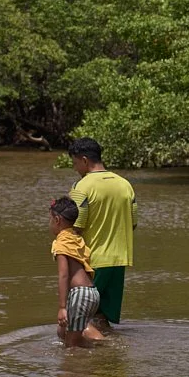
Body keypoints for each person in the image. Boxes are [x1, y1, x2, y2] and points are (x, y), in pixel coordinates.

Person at [66, 137, 136, 326]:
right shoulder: (125, 185)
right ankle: (108, 352)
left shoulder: (81, 187)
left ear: (84, 160)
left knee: (79, 319)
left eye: (75, 163)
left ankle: (97, 348)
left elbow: (75, 227)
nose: (75, 168)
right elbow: (133, 223)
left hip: (93, 261)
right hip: (120, 260)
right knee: (102, 318)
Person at [48, 196, 103, 347]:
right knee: (64, 331)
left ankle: (104, 353)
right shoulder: (76, 238)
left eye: (50, 220)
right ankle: (105, 345)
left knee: (72, 345)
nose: (50, 224)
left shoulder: (61, 243)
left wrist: (62, 307)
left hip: (80, 294)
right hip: (91, 292)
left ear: (57, 220)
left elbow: (64, 275)